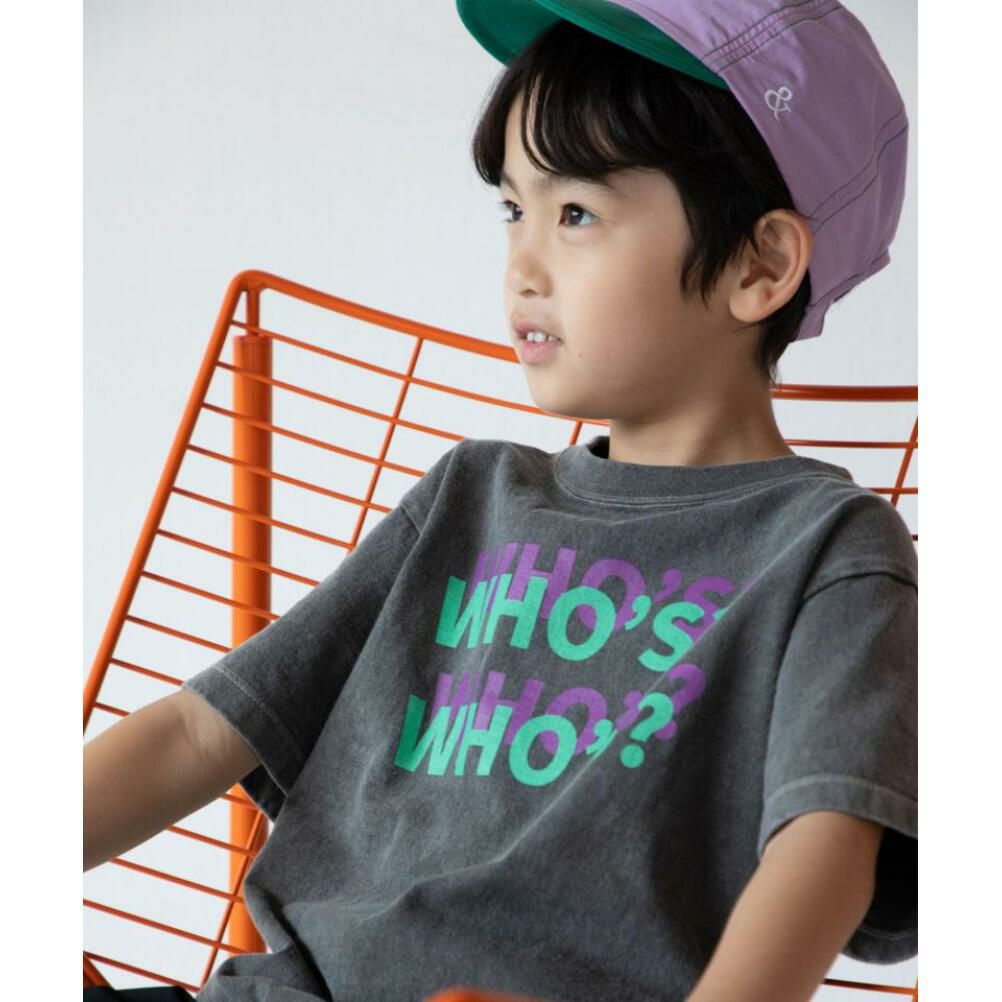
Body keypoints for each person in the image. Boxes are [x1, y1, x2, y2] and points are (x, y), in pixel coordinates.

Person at [84, 2, 916, 1000]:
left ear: (760, 264)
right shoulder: (471, 498)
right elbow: (197, 732)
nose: (521, 269)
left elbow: (826, 848)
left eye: (576, 215)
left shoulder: (827, 552)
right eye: (513, 211)